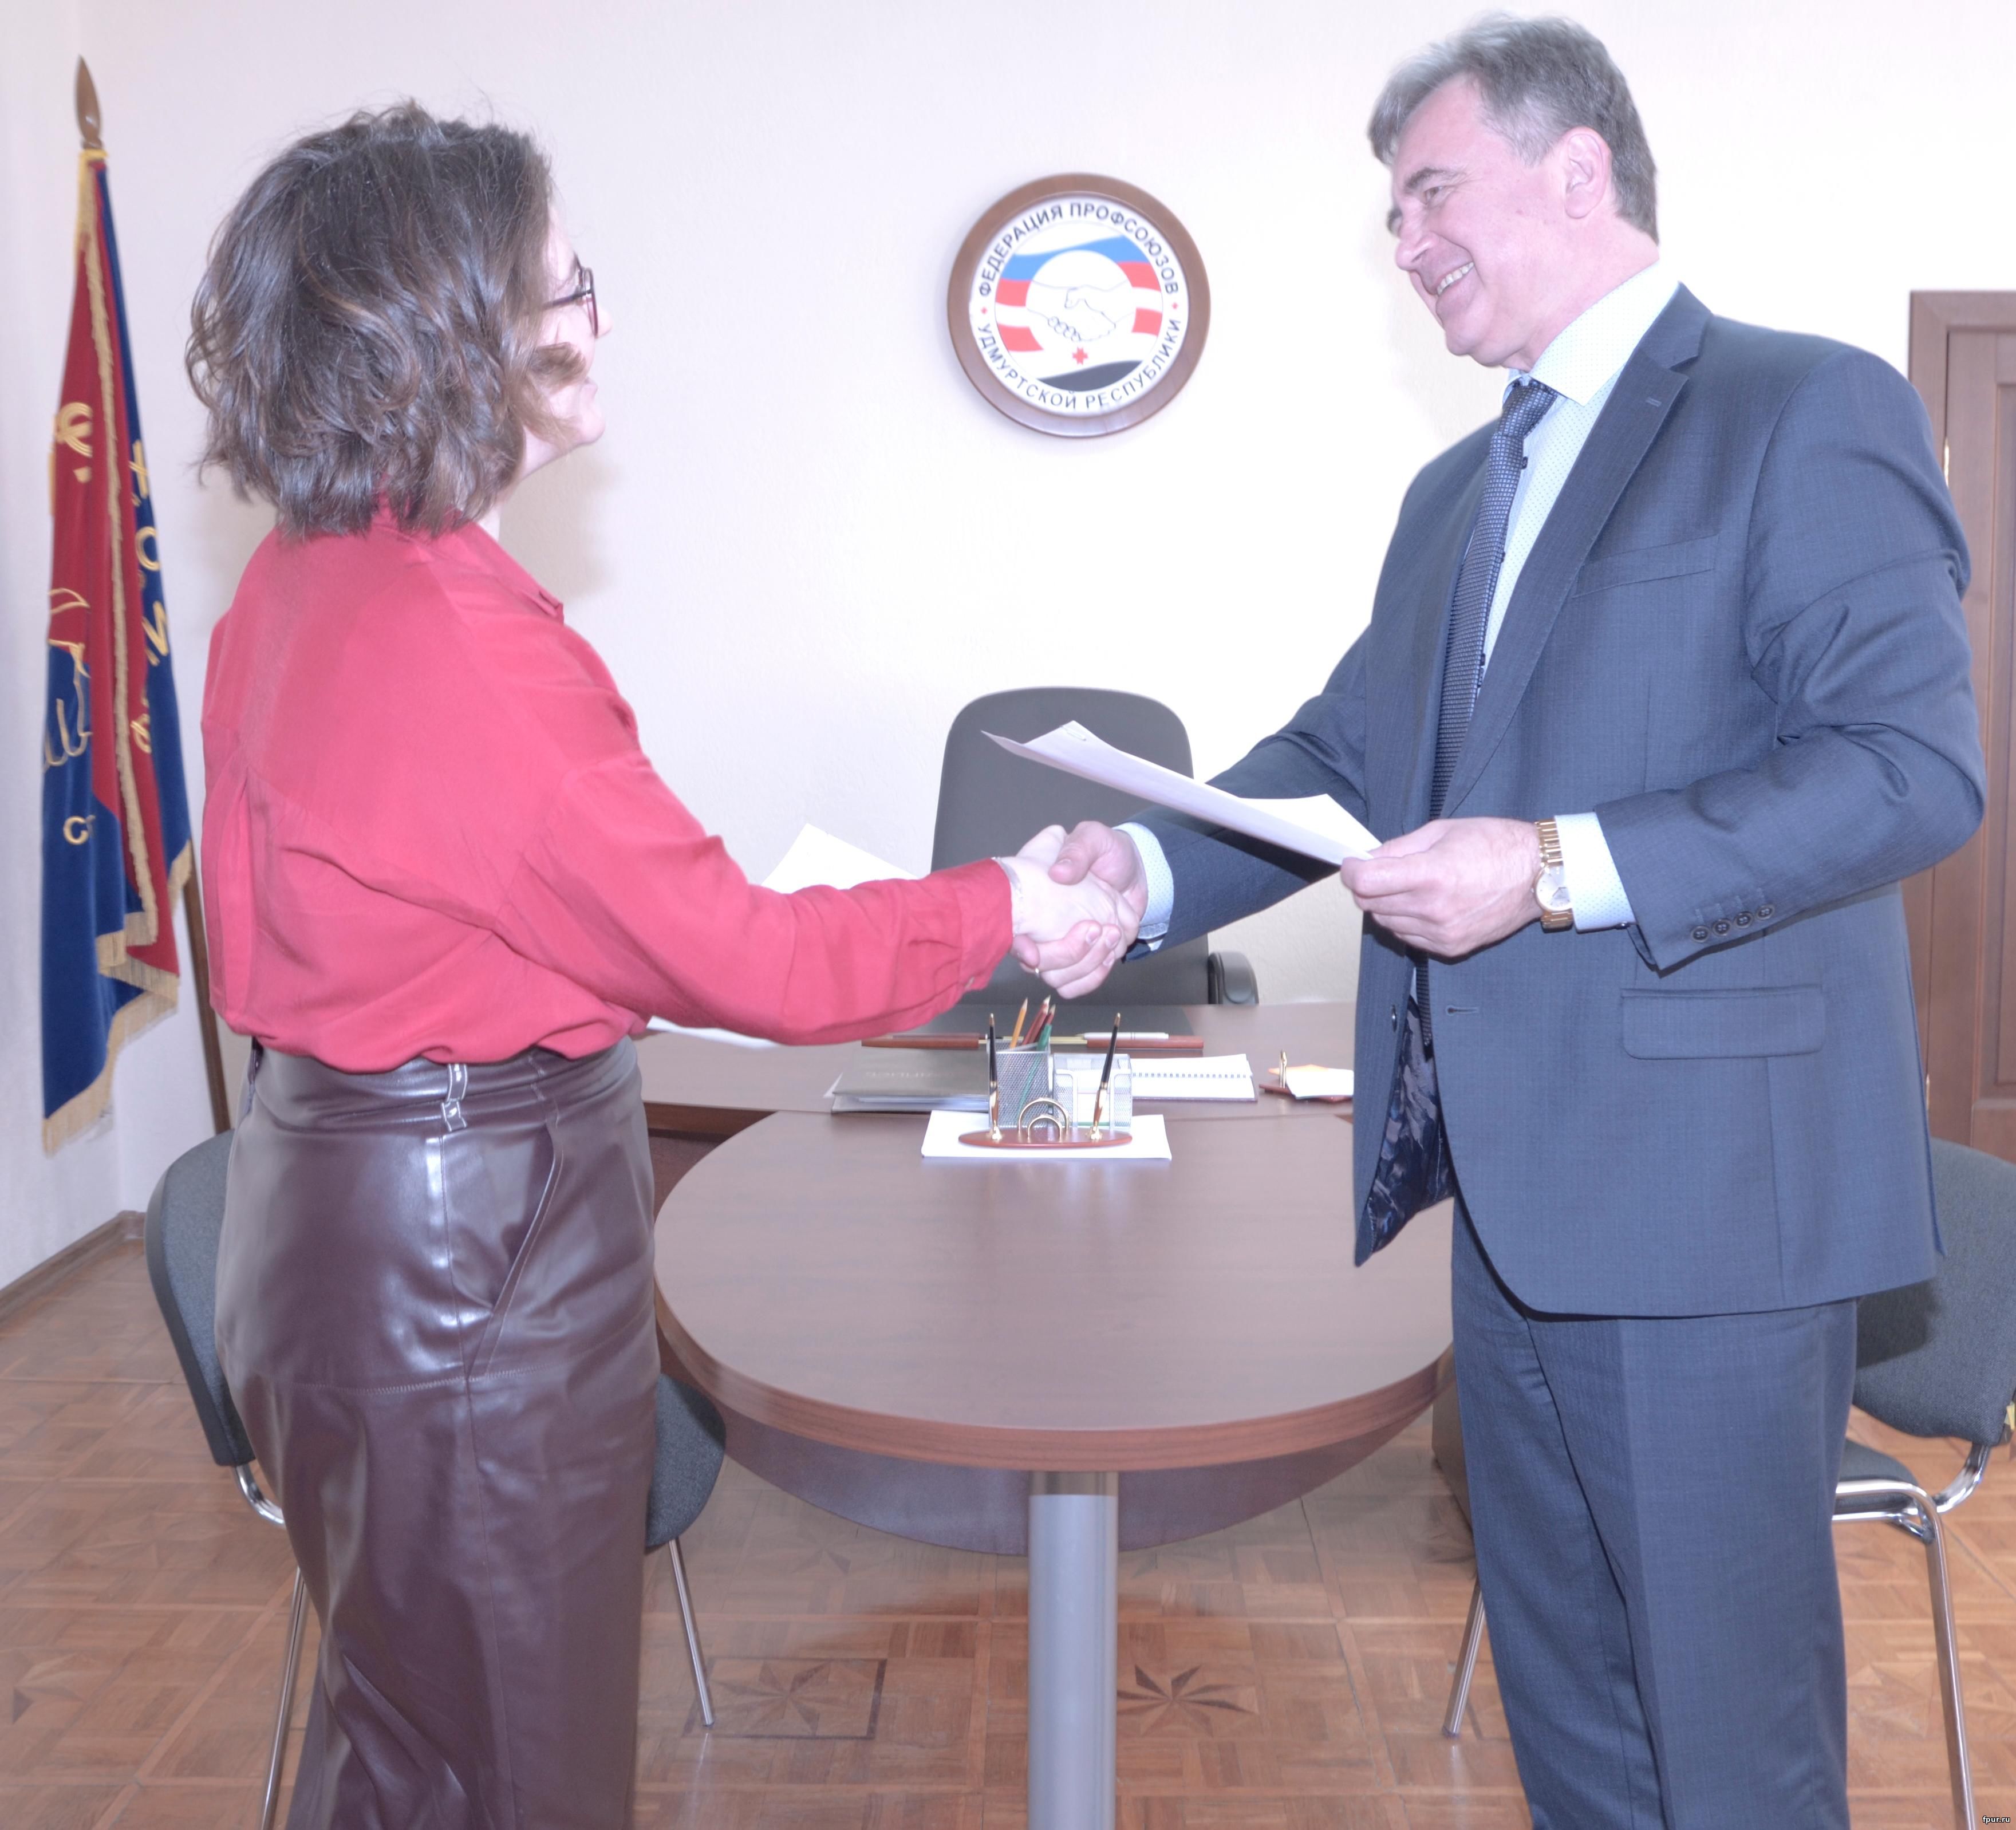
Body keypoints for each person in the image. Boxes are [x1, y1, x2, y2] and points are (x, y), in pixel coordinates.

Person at [1036, 17, 1985, 1825]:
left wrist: (1551, 864)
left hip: (1714, 1223)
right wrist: (1141, 872)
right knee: (1578, 1735)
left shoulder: (1801, 408)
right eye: (1390, 213)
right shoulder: (1454, 490)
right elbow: (1340, 757)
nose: (1402, 242)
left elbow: (1906, 771)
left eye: (1428, 193)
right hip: (1511, 1215)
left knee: (1730, 1749)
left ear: (1576, 172)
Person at [188, 104, 1122, 1830]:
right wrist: (998, 904)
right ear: (454, 329)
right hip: (470, 1257)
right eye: (567, 288)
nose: (597, 321)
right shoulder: (451, 635)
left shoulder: (311, 577)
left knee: (406, 1752)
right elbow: (738, 955)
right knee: (514, 1773)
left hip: (337, 1219)